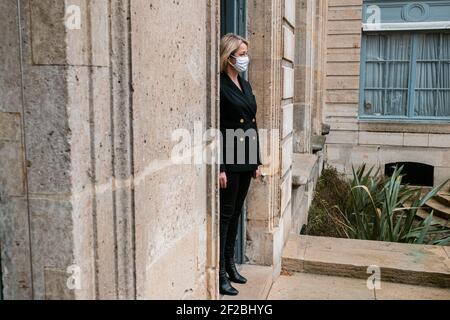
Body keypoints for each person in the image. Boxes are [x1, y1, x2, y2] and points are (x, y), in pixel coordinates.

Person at [219, 33, 262, 296]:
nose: (245, 58)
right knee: (225, 215)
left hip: (246, 158)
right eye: (242, 54)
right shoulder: (219, 85)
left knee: (236, 213)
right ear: (229, 56)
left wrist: (256, 161)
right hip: (230, 158)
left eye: (246, 53)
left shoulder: (244, 84)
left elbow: (254, 124)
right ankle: (221, 274)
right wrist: (220, 166)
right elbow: (216, 129)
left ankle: (231, 266)